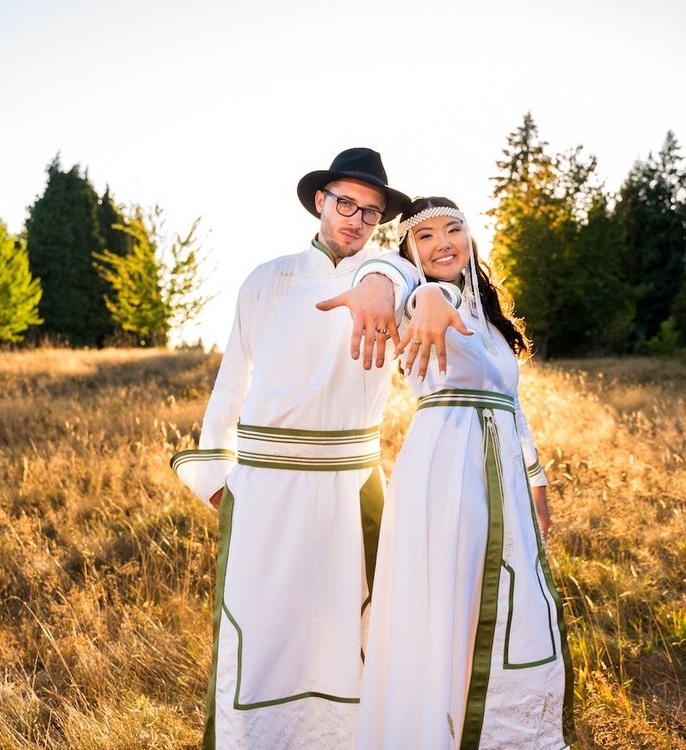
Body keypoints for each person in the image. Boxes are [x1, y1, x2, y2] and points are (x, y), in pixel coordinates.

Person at [170, 147, 422, 749]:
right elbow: (232, 380)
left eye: (371, 211)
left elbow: (403, 274)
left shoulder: (395, 278)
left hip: (350, 481)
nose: (357, 220)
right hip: (265, 482)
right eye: (346, 204)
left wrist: (381, 279)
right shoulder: (269, 279)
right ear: (319, 201)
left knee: (352, 629)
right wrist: (215, 476)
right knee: (262, 629)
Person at [352, 196, 576, 749]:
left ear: (470, 238)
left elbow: (513, 406)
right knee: (452, 591)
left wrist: (537, 480)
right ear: (410, 252)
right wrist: (427, 293)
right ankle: (440, 726)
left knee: (499, 596)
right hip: (447, 468)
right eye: (425, 236)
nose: (442, 243)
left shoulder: (490, 321)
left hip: (502, 471)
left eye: (453, 230)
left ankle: (497, 725)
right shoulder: (414, 300)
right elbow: (394, 281)